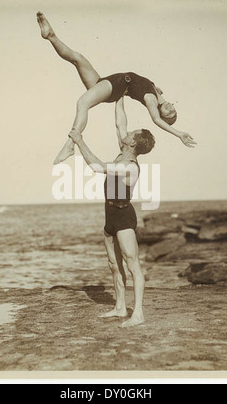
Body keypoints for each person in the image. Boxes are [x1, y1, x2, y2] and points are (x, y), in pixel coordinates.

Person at [36, 12, 197, 164]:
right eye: (174, 109)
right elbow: (147, 88)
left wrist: (179, 134)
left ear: (161, 114)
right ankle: (51, 36)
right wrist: (154, 88)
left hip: (116, 85)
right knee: (78, 59)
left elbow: (155, 120)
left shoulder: (151, 99)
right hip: (110, 82)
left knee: (82, 103)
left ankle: (71, 144)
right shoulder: (155, 92)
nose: (170, 108)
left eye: (168, 114)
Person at [68, 96, 155, 328]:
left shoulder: (128, 166)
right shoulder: (123, 151)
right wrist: (120, 96)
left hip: (124, 217)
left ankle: (138, 313)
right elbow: (120, 122)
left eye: (132, 133)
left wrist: (79, 140)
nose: (126, 133)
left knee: (131, 263)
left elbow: (97, 167)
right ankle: (119, 307)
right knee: (114, 265)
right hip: (110, 216)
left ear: (134, 142)